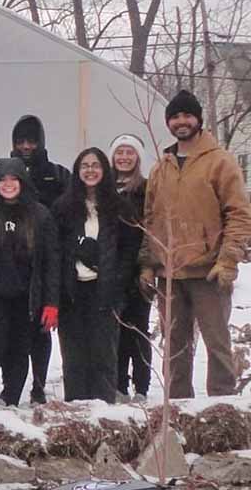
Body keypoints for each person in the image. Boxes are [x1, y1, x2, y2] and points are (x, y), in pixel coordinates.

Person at [140, 89, 251, 399]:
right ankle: (176, 409)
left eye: (187, 115)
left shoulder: (220, 162)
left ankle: (223, 406)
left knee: (217, 344)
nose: (181, 121)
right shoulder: (161, 167)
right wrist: (148, 264)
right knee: (174, 347)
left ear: (198, 119)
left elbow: (240, 215)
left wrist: (228, 260)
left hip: (209, 272)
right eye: (175, 116)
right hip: (170, 274)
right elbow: (150, 219)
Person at [0, 159, 59, 409]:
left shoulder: (40, 215)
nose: (8, 185)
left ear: (22, 182)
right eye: (3, 180)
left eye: (13, 179)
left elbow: (51, 261)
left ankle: (10, 396)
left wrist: (51, 302)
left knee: (20, 347)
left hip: (27, 296)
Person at [54, 148, 139, 403]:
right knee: (74, 357)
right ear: (77, 171)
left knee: (103, 355)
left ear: (105, 170)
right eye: (85, 166)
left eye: (96, 165)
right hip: (72, 292)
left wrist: (116, 282)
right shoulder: (63, 207)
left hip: (106, 292)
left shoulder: (120, 207)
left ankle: (104, 411)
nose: (90, 170)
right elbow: (55, 250)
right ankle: (77, 413)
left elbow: (129, 252)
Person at [10, 115, 70, 404]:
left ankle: (39, 384)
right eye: (20, 141)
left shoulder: (56, 175)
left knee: (41, 330)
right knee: (17, 331)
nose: (25, 146)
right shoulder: (7, 172)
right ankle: (13, 386)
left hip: (46, 260)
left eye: (31, 141)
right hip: (13, 262)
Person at [111, 133, 151, 403]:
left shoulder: (146, 189)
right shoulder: (105, 188)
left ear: (137, 157)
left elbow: (153, 226)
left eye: (129, 152)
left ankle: (142, 386)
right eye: (120, 152)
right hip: (111, 268)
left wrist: (148, 266)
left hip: (139, 268)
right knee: (116, 328)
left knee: (137, 329)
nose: (124, 157)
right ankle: (118, 384)